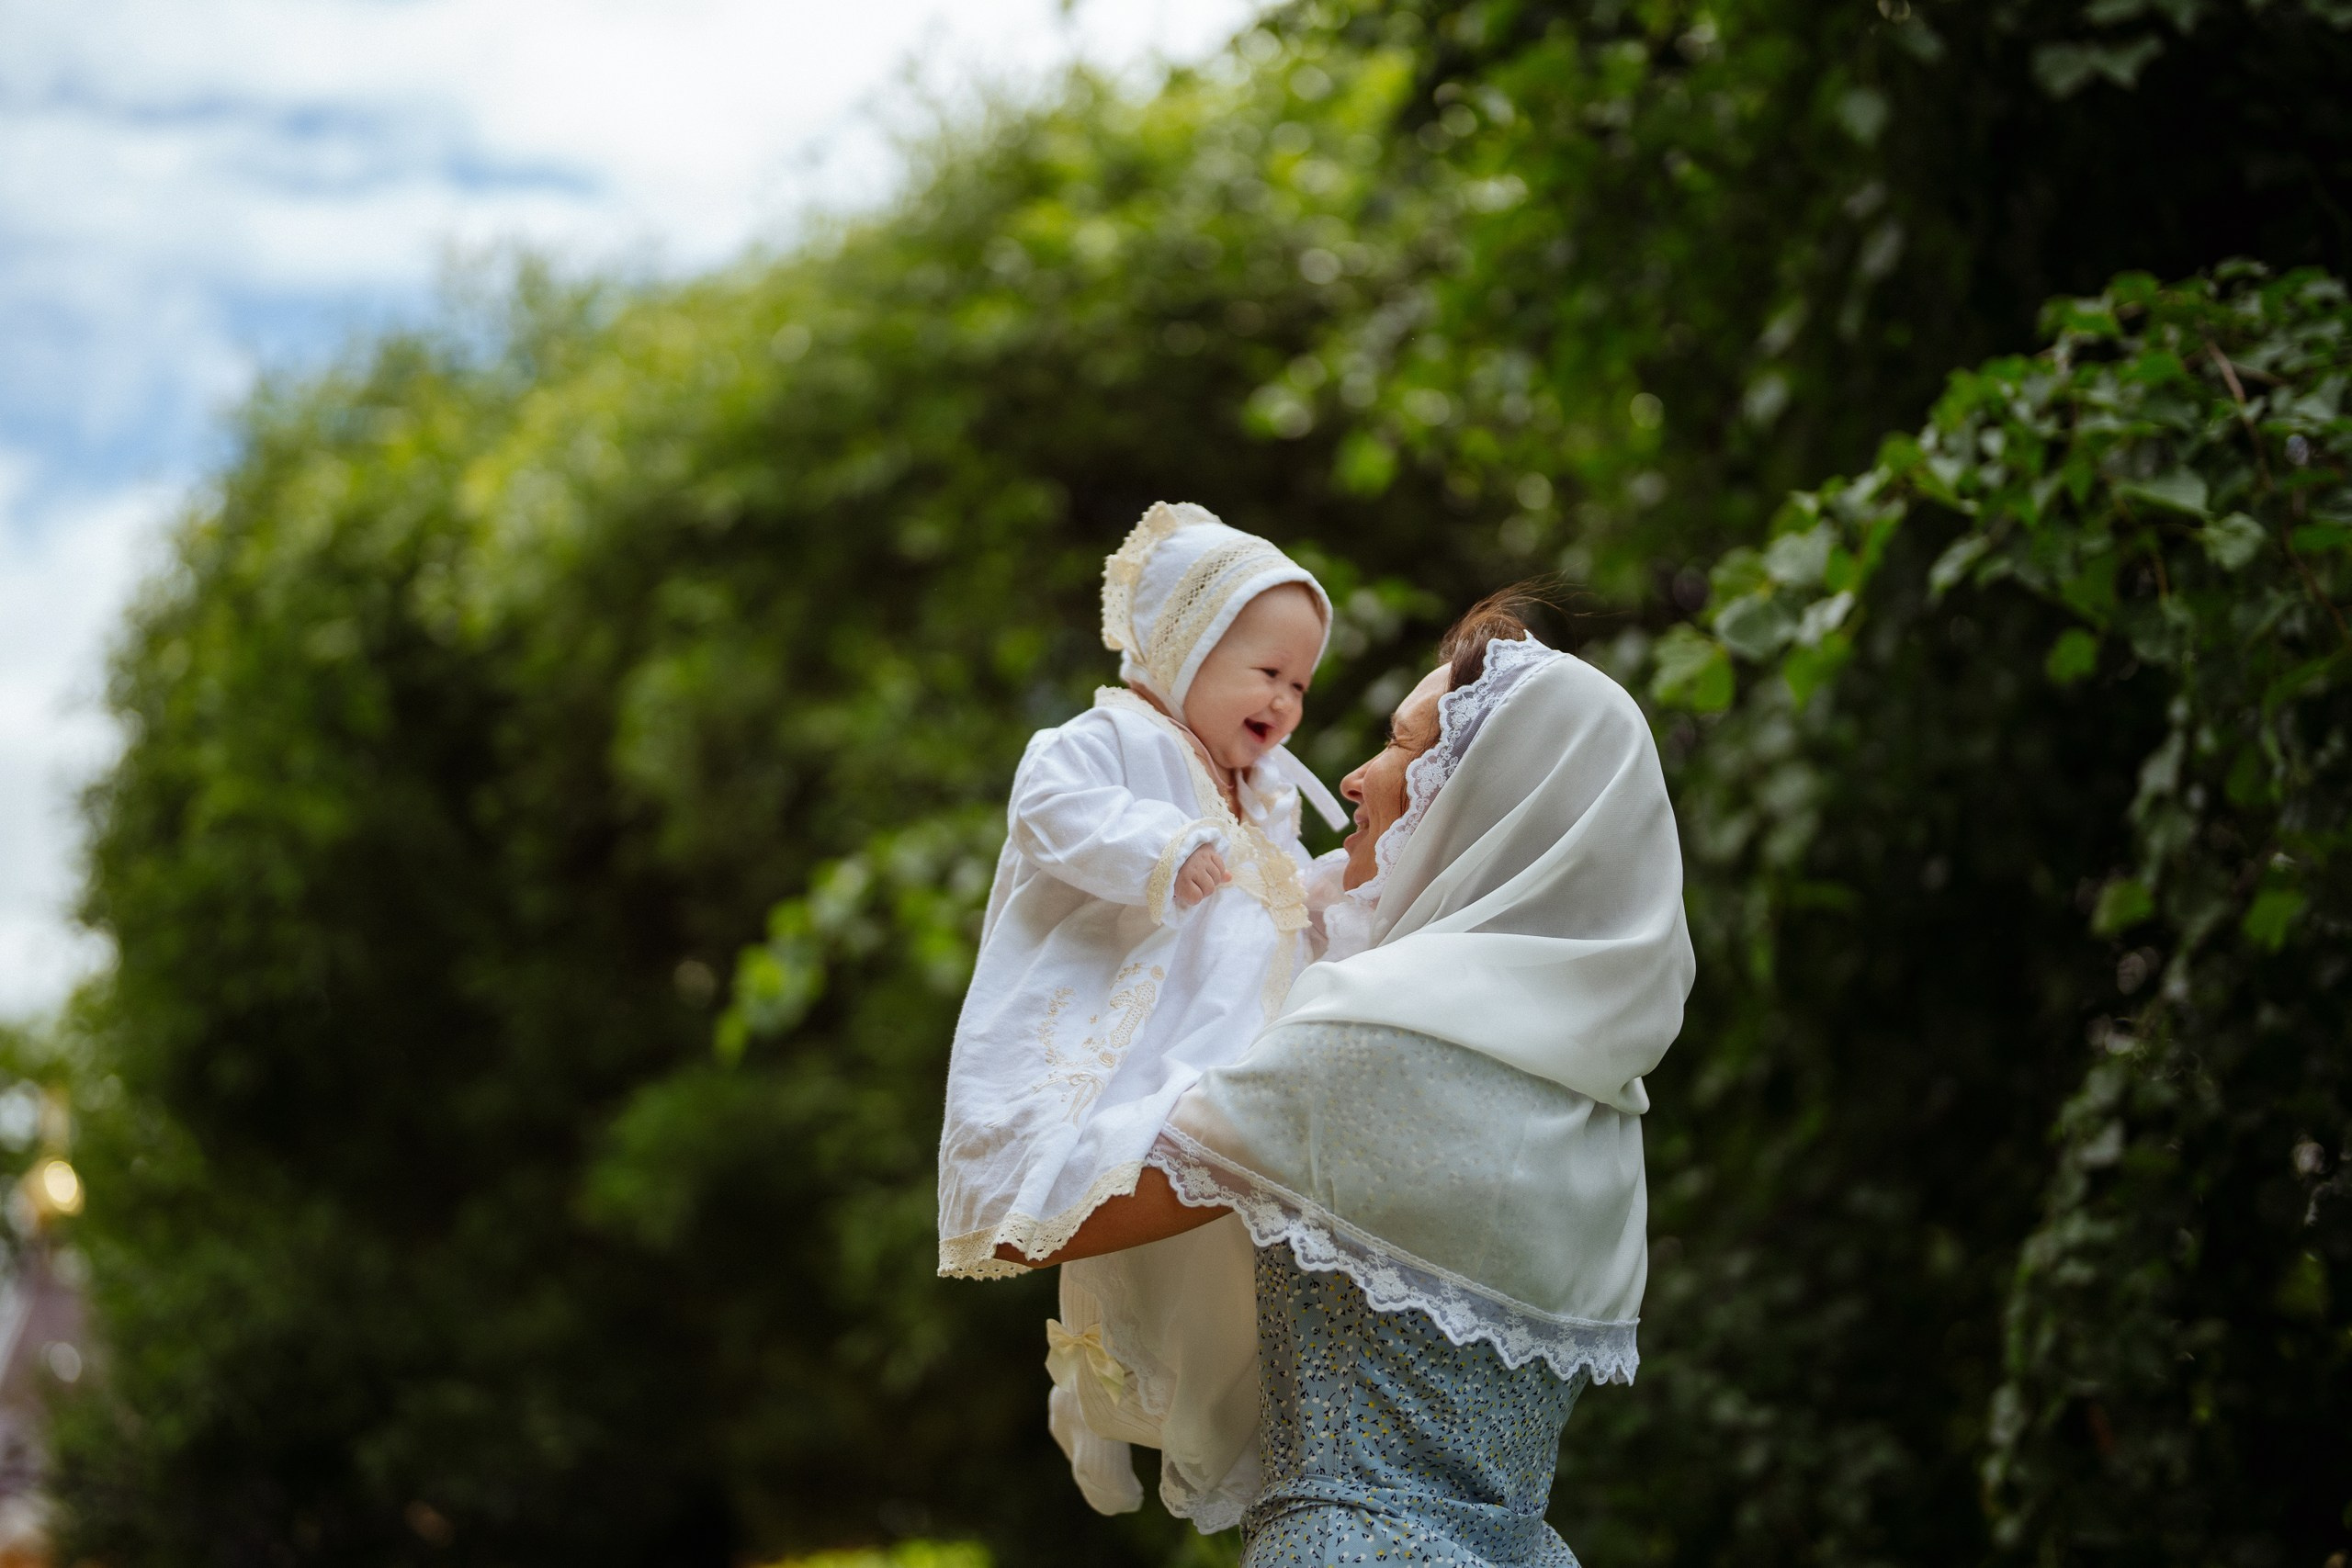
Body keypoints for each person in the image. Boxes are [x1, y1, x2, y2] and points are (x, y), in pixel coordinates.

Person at [1035, 592, 1698, 1562]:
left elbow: (1046, 1214)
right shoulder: (1588, 1099)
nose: (1353, 777)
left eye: (1399, 748)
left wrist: (1074, 926)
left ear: (1481, 799)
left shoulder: (1372, 1044)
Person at [934, 502, 1349, 1285]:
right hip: (1132, 1042)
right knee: (1120, 1211)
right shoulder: (1118, 739)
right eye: (1268, 674)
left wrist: (1324, 893)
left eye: (1300, 684)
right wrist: (1161, 845)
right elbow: (1047, 806)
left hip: (1216, 1055)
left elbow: (1277, 888)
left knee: (1206, 1288)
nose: (1286, 702)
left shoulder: (1259, 793)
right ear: (1185, 651)